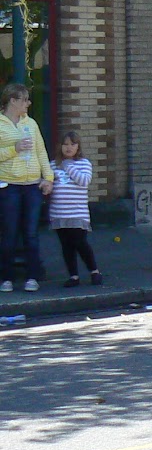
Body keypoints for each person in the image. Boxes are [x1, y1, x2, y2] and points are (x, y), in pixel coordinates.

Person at [0, 84, 52, 293]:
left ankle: (32, 276)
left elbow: (40, 151)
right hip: (8, 185)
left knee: (31, 232)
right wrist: (15, 149)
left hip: (31, 185)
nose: (28, 103)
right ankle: (7, 278)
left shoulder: (30, 123)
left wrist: (48, 178)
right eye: (24, 99)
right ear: (13, 100)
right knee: (9, 232)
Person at [49, 131, 99, 288]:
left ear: (78, 147)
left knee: (80, 242)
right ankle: (73, 276)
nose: (68, 147)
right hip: (59, 213)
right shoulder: (53, 165)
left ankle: (94, 271)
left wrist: (68, 166)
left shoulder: (84, 163)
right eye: (65, 144)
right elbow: (48, 182)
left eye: (72, 144)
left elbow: (84, 181)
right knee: (66, 245)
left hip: (77, 213)